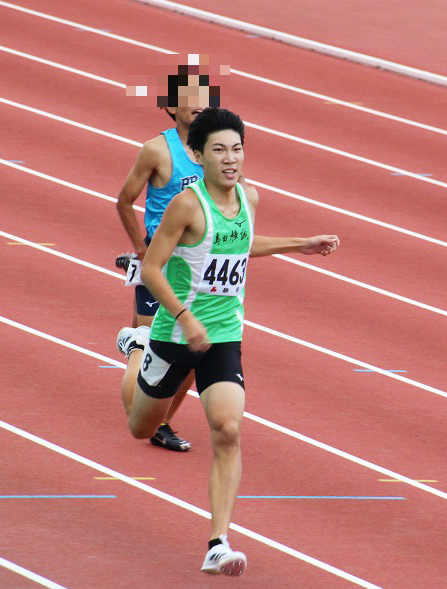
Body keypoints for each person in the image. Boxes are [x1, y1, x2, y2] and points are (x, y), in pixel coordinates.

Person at [120, 107, 339, 574]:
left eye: (237, 148)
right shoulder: (186, 206)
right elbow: (154, 268)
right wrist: (182, 316)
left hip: (223, 335)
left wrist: (301, 243)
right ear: (197, 155)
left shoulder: (249, 198)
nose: (230, 158)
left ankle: (218, 542)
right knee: (140, 427)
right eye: (218, 150)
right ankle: (137, 347)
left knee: (228, 430)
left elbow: (242, 245)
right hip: (175, 333)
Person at [115, 63, 221, 452]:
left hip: (199, 265)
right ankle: (135, 347)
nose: (198, 105)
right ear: (171, 106)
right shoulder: (157, 150)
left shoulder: (216, 148)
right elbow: (125, 201)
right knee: (152, 353)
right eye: (188, 98)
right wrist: (144, 252)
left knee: (197, 350)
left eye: (204, 97)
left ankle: (161, 422)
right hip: (161, 262)